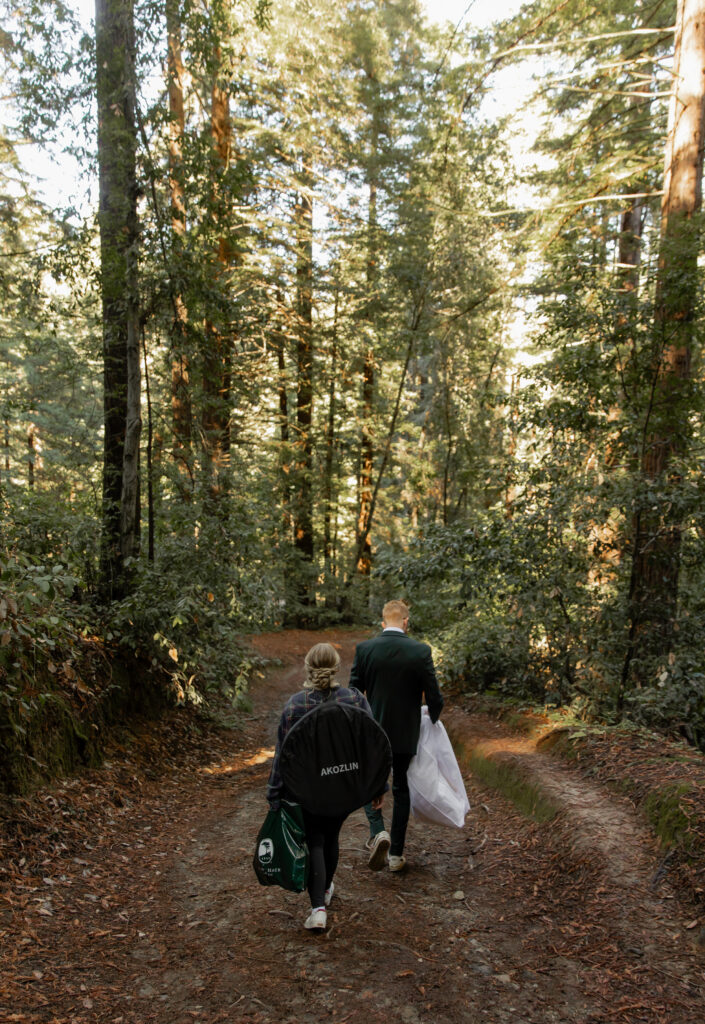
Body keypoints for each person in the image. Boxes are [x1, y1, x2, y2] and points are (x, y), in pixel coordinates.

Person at [266, 642, 384, 931]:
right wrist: (378, 786)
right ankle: (326, 888)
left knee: (315, 838)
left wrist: (274, 793)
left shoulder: (295, 705)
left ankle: (318, 906)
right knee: (330, 835)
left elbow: (283, 754)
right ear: (336, 668)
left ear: (308, 667)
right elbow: (373, 744)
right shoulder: (355, 699)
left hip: (306, 789)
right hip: (343, 786)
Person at [349, 599, 443, 872]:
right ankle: (396, 855)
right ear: (405, 622)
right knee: (402, 789)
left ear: (383, 622)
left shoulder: (365, 649)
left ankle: (379, 831)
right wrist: (433, 720)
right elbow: (434, 696)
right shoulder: (420, 651)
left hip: (373, 732)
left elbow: (354, 693)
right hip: (405, 733)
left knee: (370, 783)